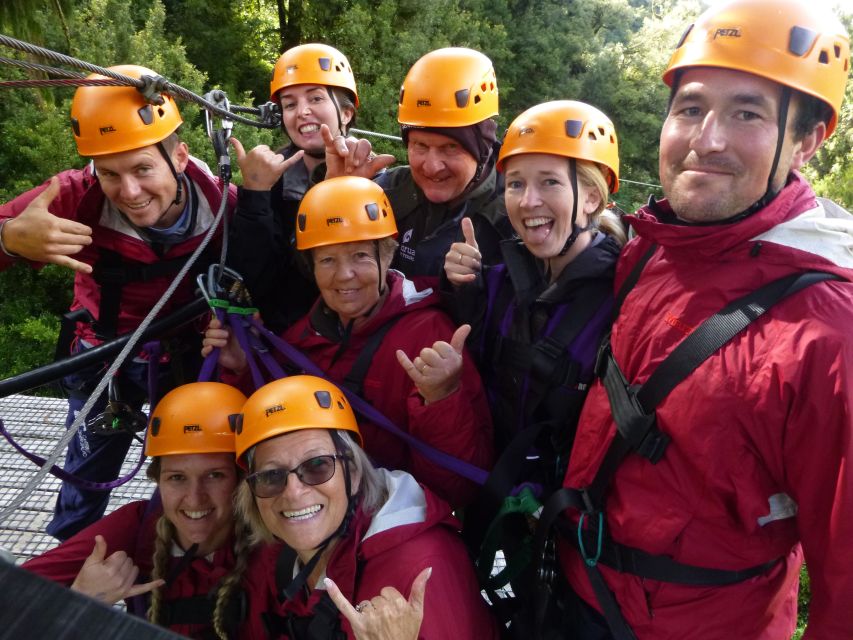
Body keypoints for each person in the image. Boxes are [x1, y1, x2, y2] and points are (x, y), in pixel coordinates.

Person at [552, 1, 853, 638]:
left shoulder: (830, 335)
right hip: (579, 587)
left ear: (805, 141)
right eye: (690, 108)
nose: (705, 139)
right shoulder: (653, 245)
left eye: (747, 113)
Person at [0, 65, 236, 541]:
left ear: (181, 157)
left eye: (143, 168)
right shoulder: (73, 197)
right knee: (86, 478)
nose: (129, 192)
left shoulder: (223, 206)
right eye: (110, 173)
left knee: (191, 475)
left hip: (186, 359)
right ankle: (67, 563)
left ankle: (182, 558)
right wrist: (8, 239)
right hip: (104, 361)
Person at [203, 176, 493, 507]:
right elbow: (270, 440)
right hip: (319, 514)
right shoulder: (300, 339)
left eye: (359, 255)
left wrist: (442, 399)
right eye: (327, 260)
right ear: (311, 267)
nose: (344, 275)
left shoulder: (431, 338)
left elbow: (459, 486)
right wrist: (242, 366)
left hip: (394, 518)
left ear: (388, 256)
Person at [442, 101, 625, 599]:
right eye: (516, 184)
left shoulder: (625, 298)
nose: (526, 201)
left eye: (548, 182)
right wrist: (465, 292)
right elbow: (485, 372)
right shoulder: (501, 280)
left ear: (590, 197)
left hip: (569, 529)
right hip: (497, 497)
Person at [233, 375, 500, 639]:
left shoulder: (422, 567)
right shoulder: (278, 559)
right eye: (271, 476)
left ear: (354, 472)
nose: (293, 492)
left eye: (317, 466)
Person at [23, 382, 251, 639]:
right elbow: (13, 592)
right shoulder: (139, 525)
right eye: (177, 477)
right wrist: (81, 599)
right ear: (159, 481)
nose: (195, 498)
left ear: (241, 480)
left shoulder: (271, 536)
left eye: (215, 475)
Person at [324, 47, 513, 283]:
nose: (432, 167)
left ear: (482, 150)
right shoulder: (388, 192)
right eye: (420, 146)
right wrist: (337, 197)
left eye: (450, 148)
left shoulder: (513, 215)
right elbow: (315, 276)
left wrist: (471, 289)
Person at [229, 43, 366, 332]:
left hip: (349, 334)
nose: (302, 112)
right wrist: (255, 194)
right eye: (290, 104)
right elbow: (254, 277)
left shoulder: (370, 176)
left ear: (346, 113)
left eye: (316, 98)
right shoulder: (271, 179)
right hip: (286, 334)